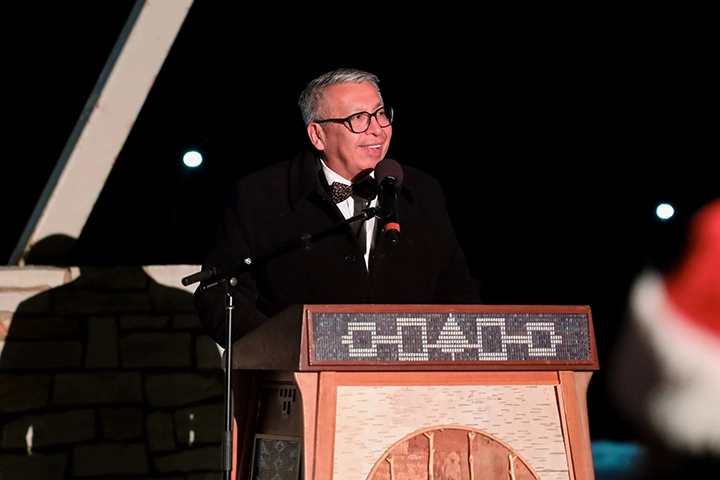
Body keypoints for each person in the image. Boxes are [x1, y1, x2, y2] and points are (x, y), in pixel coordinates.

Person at [193, 68, 481, 346]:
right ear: (317, 135)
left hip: (408, 369)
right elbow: (220, 295)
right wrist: (282, 349)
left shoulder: (423, 191)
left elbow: (455, 287)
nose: (377, 130)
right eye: (358, 118)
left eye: (381, 114)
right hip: (298, 372)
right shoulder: (258, 195)